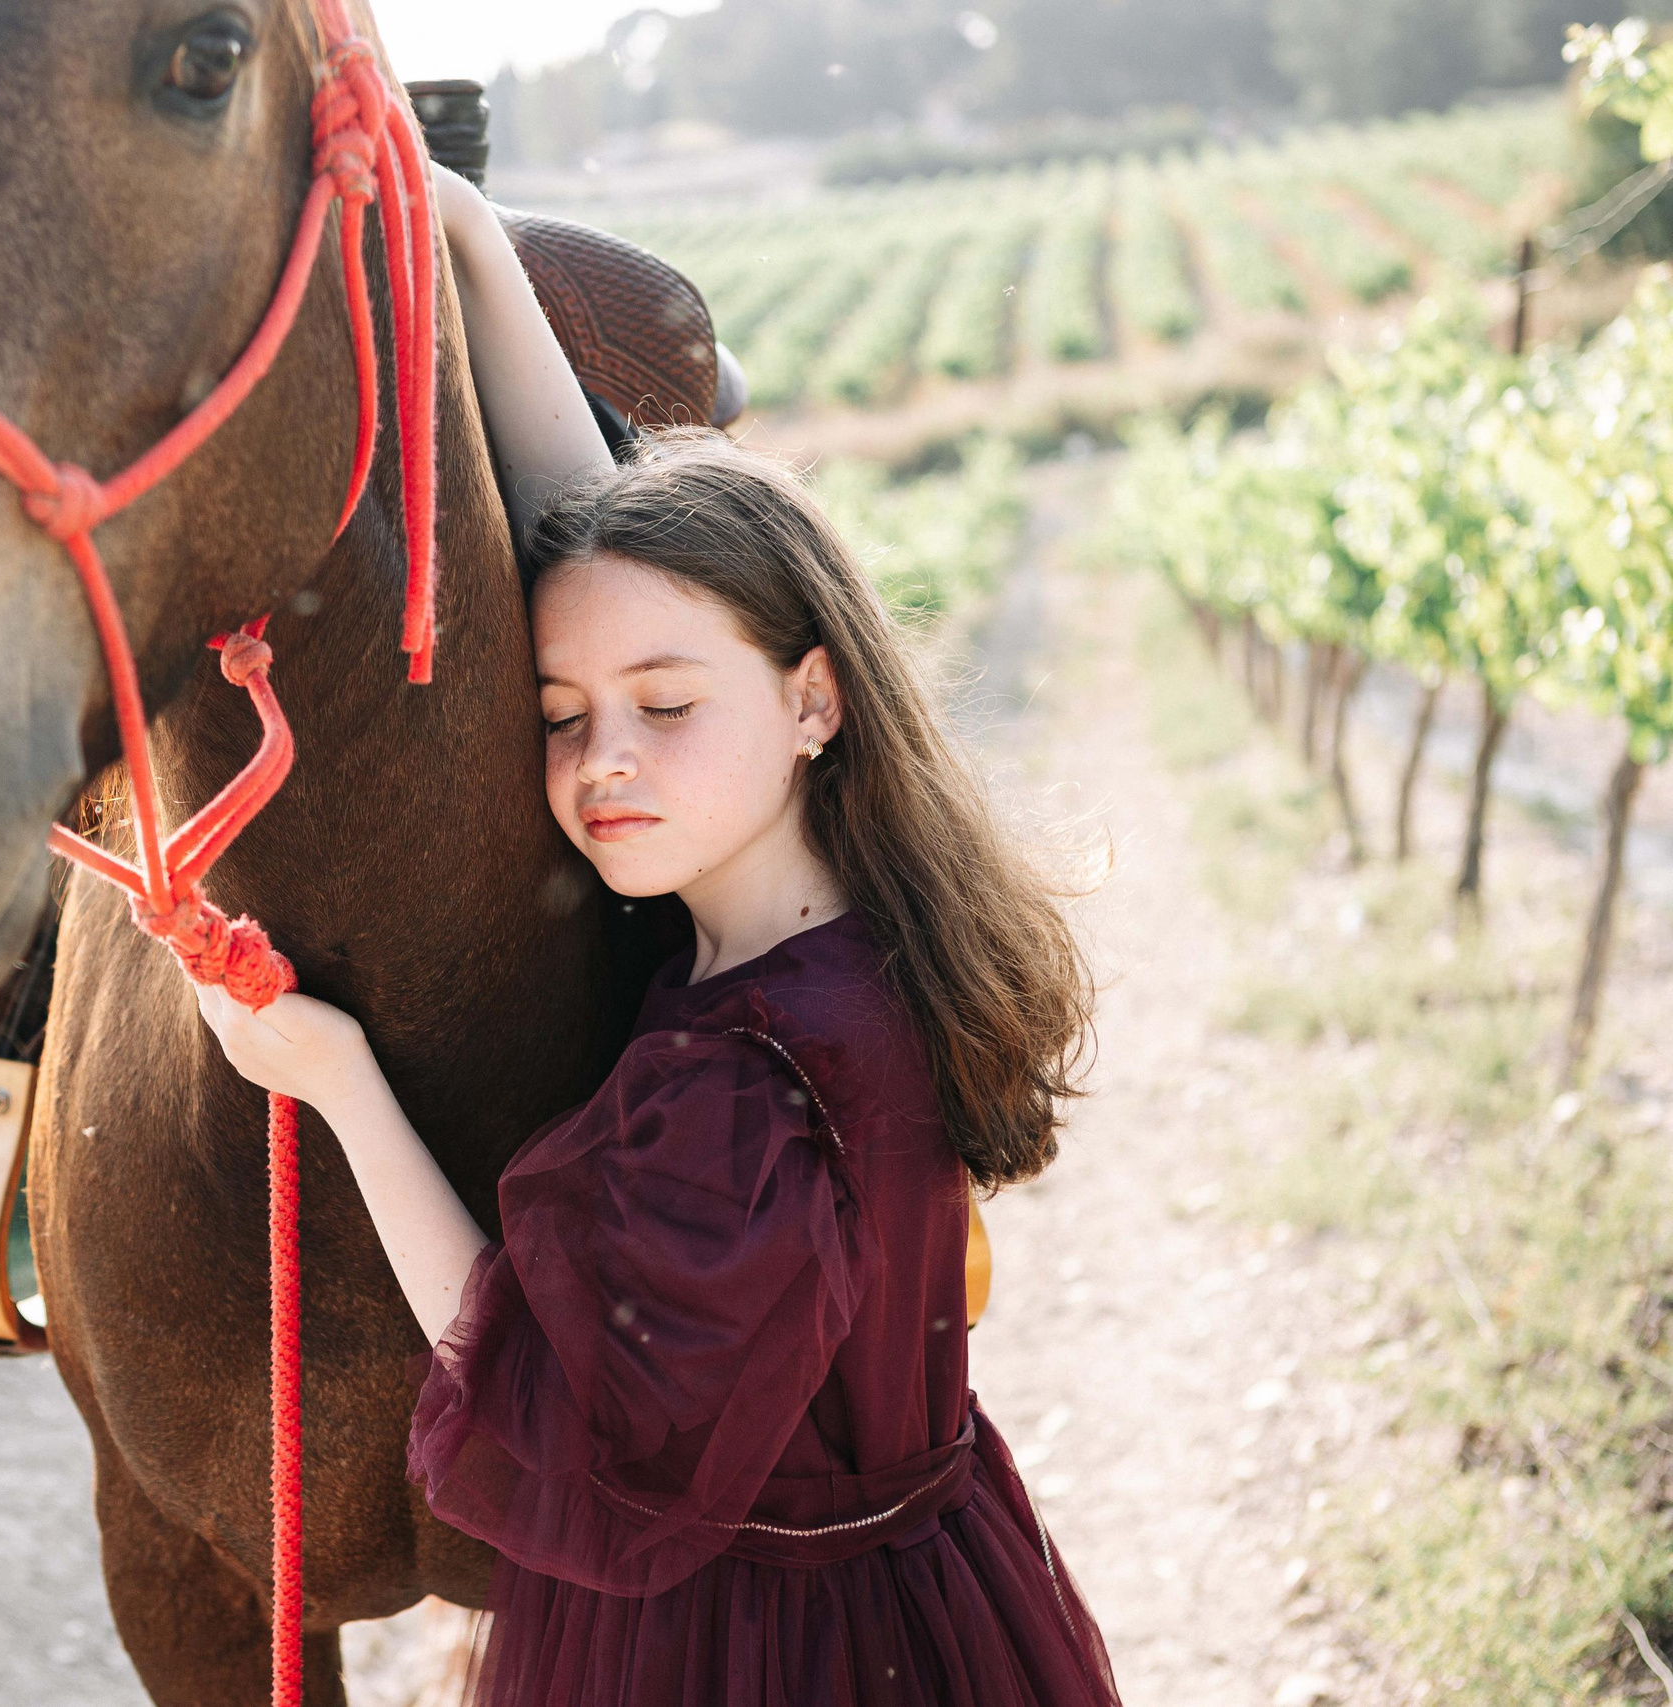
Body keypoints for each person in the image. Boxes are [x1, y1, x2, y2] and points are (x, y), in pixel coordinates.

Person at [193, 162, 1123, 1706]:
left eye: (667, 708)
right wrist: (471, 244)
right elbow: (612, 544)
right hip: (933, 1593)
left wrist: (338, 1082)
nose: (603, 754)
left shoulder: (744, 1080)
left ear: (814, 700)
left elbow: (543, 1401)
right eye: (560, 718)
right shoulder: (873, 935)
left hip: (745, 1648)